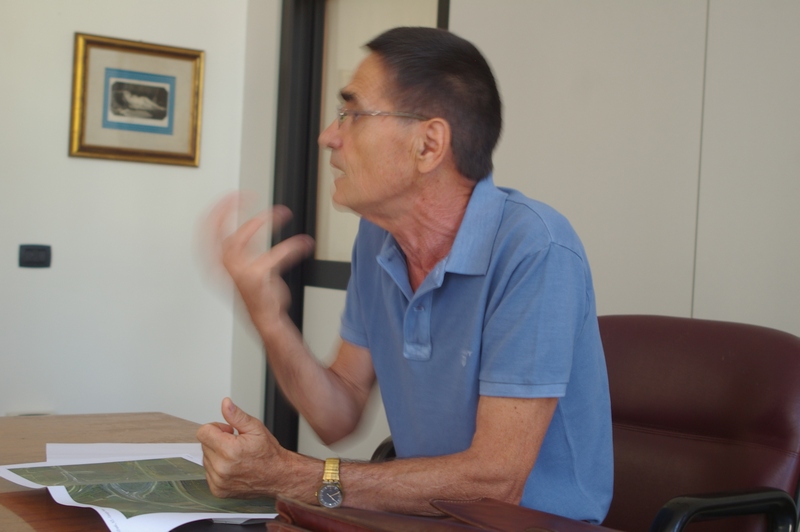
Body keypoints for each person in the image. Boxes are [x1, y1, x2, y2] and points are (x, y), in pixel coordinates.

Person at [197, 26, 613, 523]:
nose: (329, 135)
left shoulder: (536, 249)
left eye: (352, 113)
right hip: (425, 520)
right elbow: (338, 412)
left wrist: (291, 475)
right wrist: (269, 318)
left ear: (428, 144)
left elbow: (495, 481)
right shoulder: (378, 239)